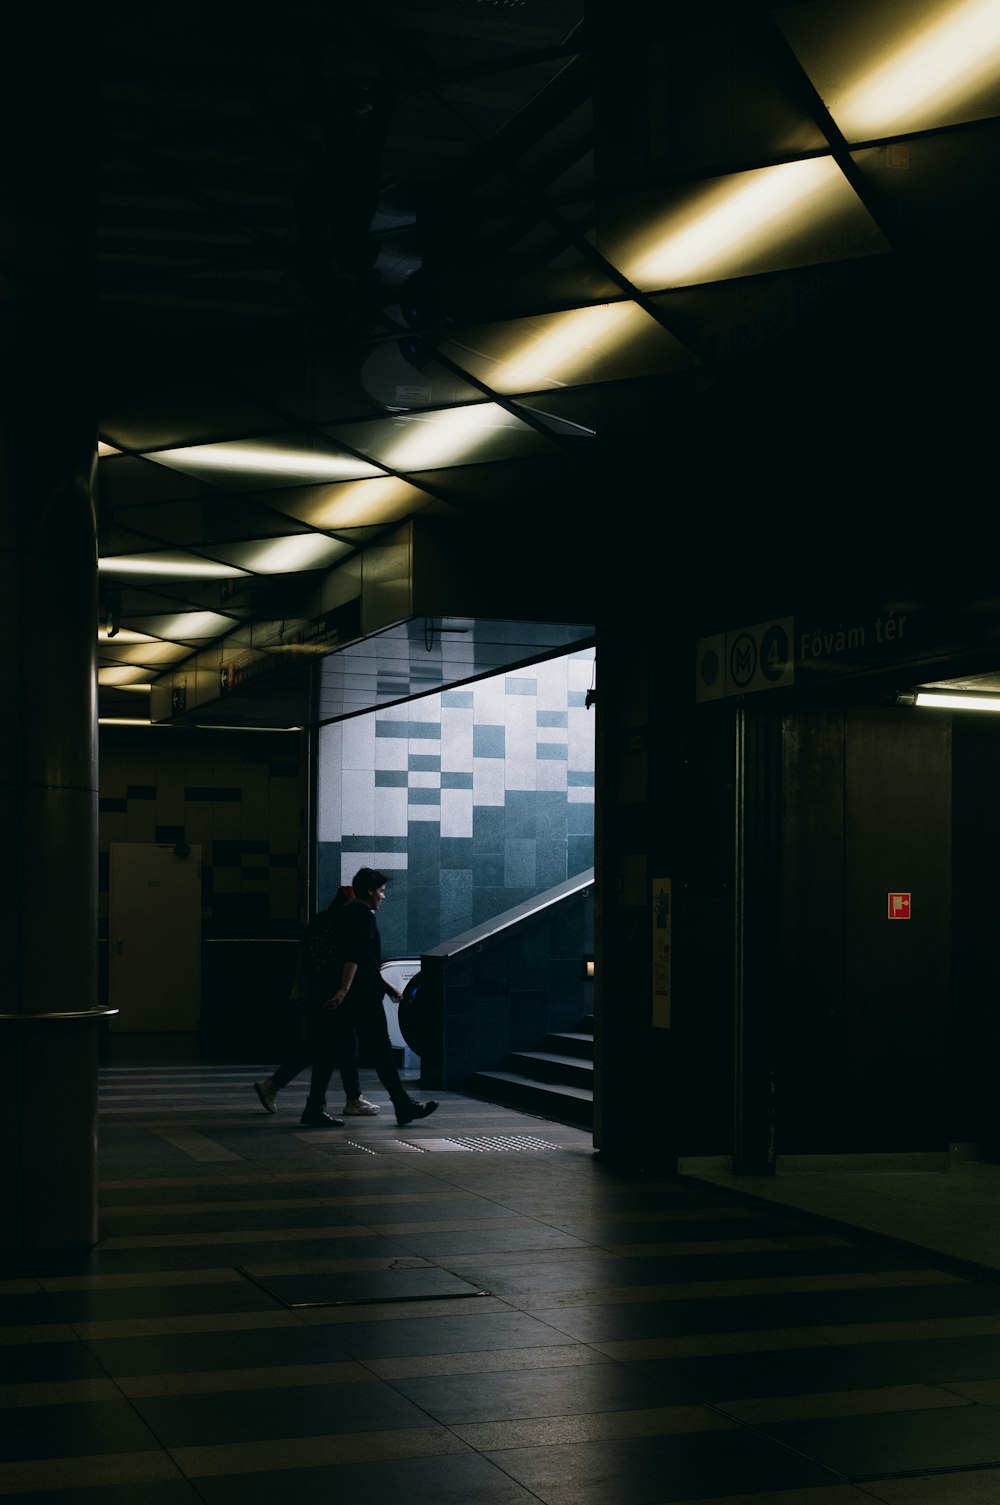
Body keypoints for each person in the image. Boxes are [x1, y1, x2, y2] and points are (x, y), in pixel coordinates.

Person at [253, 886, 381, 1126]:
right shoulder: (344, 924)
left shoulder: (320, 921)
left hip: (314, 994)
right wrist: (343, 991)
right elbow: (352, 959)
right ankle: (311, 1102)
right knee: (324, 1048)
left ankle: (345, 1098)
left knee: (331, 1044)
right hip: (331, 996)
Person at [329, 867, 439, 1128]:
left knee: (342, 1049)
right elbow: (356, 957)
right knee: (381, 1052)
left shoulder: (348, 914)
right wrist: (345, 990)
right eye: (381, 891)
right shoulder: (362, 915)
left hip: (356, 995)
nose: (383, 897)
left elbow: (363, 960)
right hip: (363, 997)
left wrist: (387, 987)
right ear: (369, 891)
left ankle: (321, 1102)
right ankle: (402, 1105)